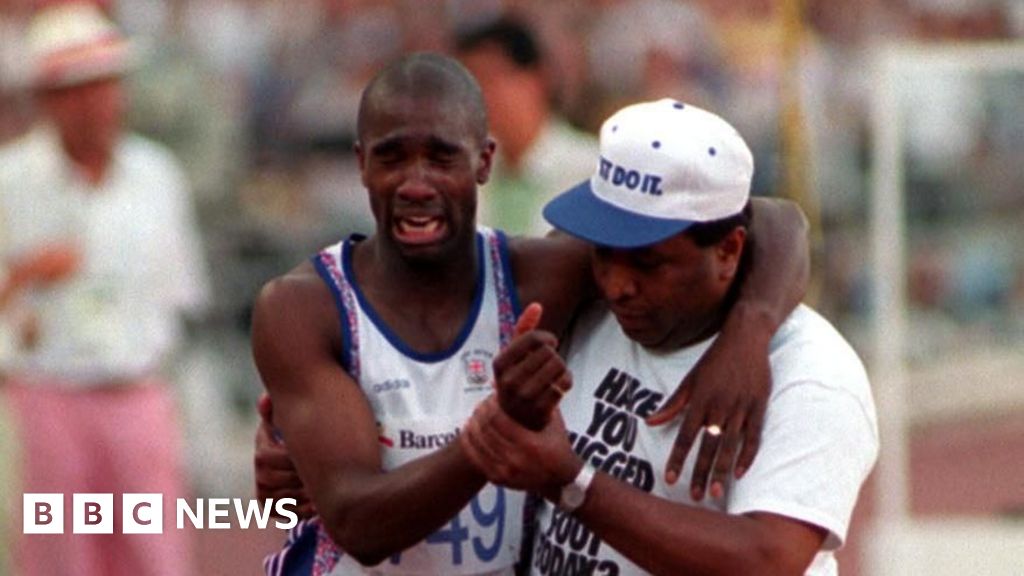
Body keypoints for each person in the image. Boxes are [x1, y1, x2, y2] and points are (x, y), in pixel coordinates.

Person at [251, 53, 809, 575]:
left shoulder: (539, 276)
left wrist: (747, 334)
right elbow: (360, 524)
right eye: (392, 156)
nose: (416, 184)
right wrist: (500, 429)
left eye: (443, 157)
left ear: (485, 161)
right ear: (360, 164)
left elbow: (774, 220)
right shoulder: (305, 307)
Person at [459, 99, 879, 575]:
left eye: (648, 263)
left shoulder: (810, 373)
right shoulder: (587, 304)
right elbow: (782, 219)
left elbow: (767, 559)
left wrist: (572, 482)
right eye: (602, 253)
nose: (617, 285)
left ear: (728, 250)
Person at [0, 3, 209, 575]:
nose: (93, 102)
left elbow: (180, 294)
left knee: (153, 557)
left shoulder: (155, 175)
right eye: (73, 89)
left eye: (103, 84)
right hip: (46, 396)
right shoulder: (10, 182)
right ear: (44, 99)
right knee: (59, 561)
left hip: (138, 391)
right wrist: (23, 276)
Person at [454, 16, 599, 237]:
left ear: (537, 78)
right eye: (469, 83)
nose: (480, 94)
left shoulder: (591, 169)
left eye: (489, 77)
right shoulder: (468, 175)